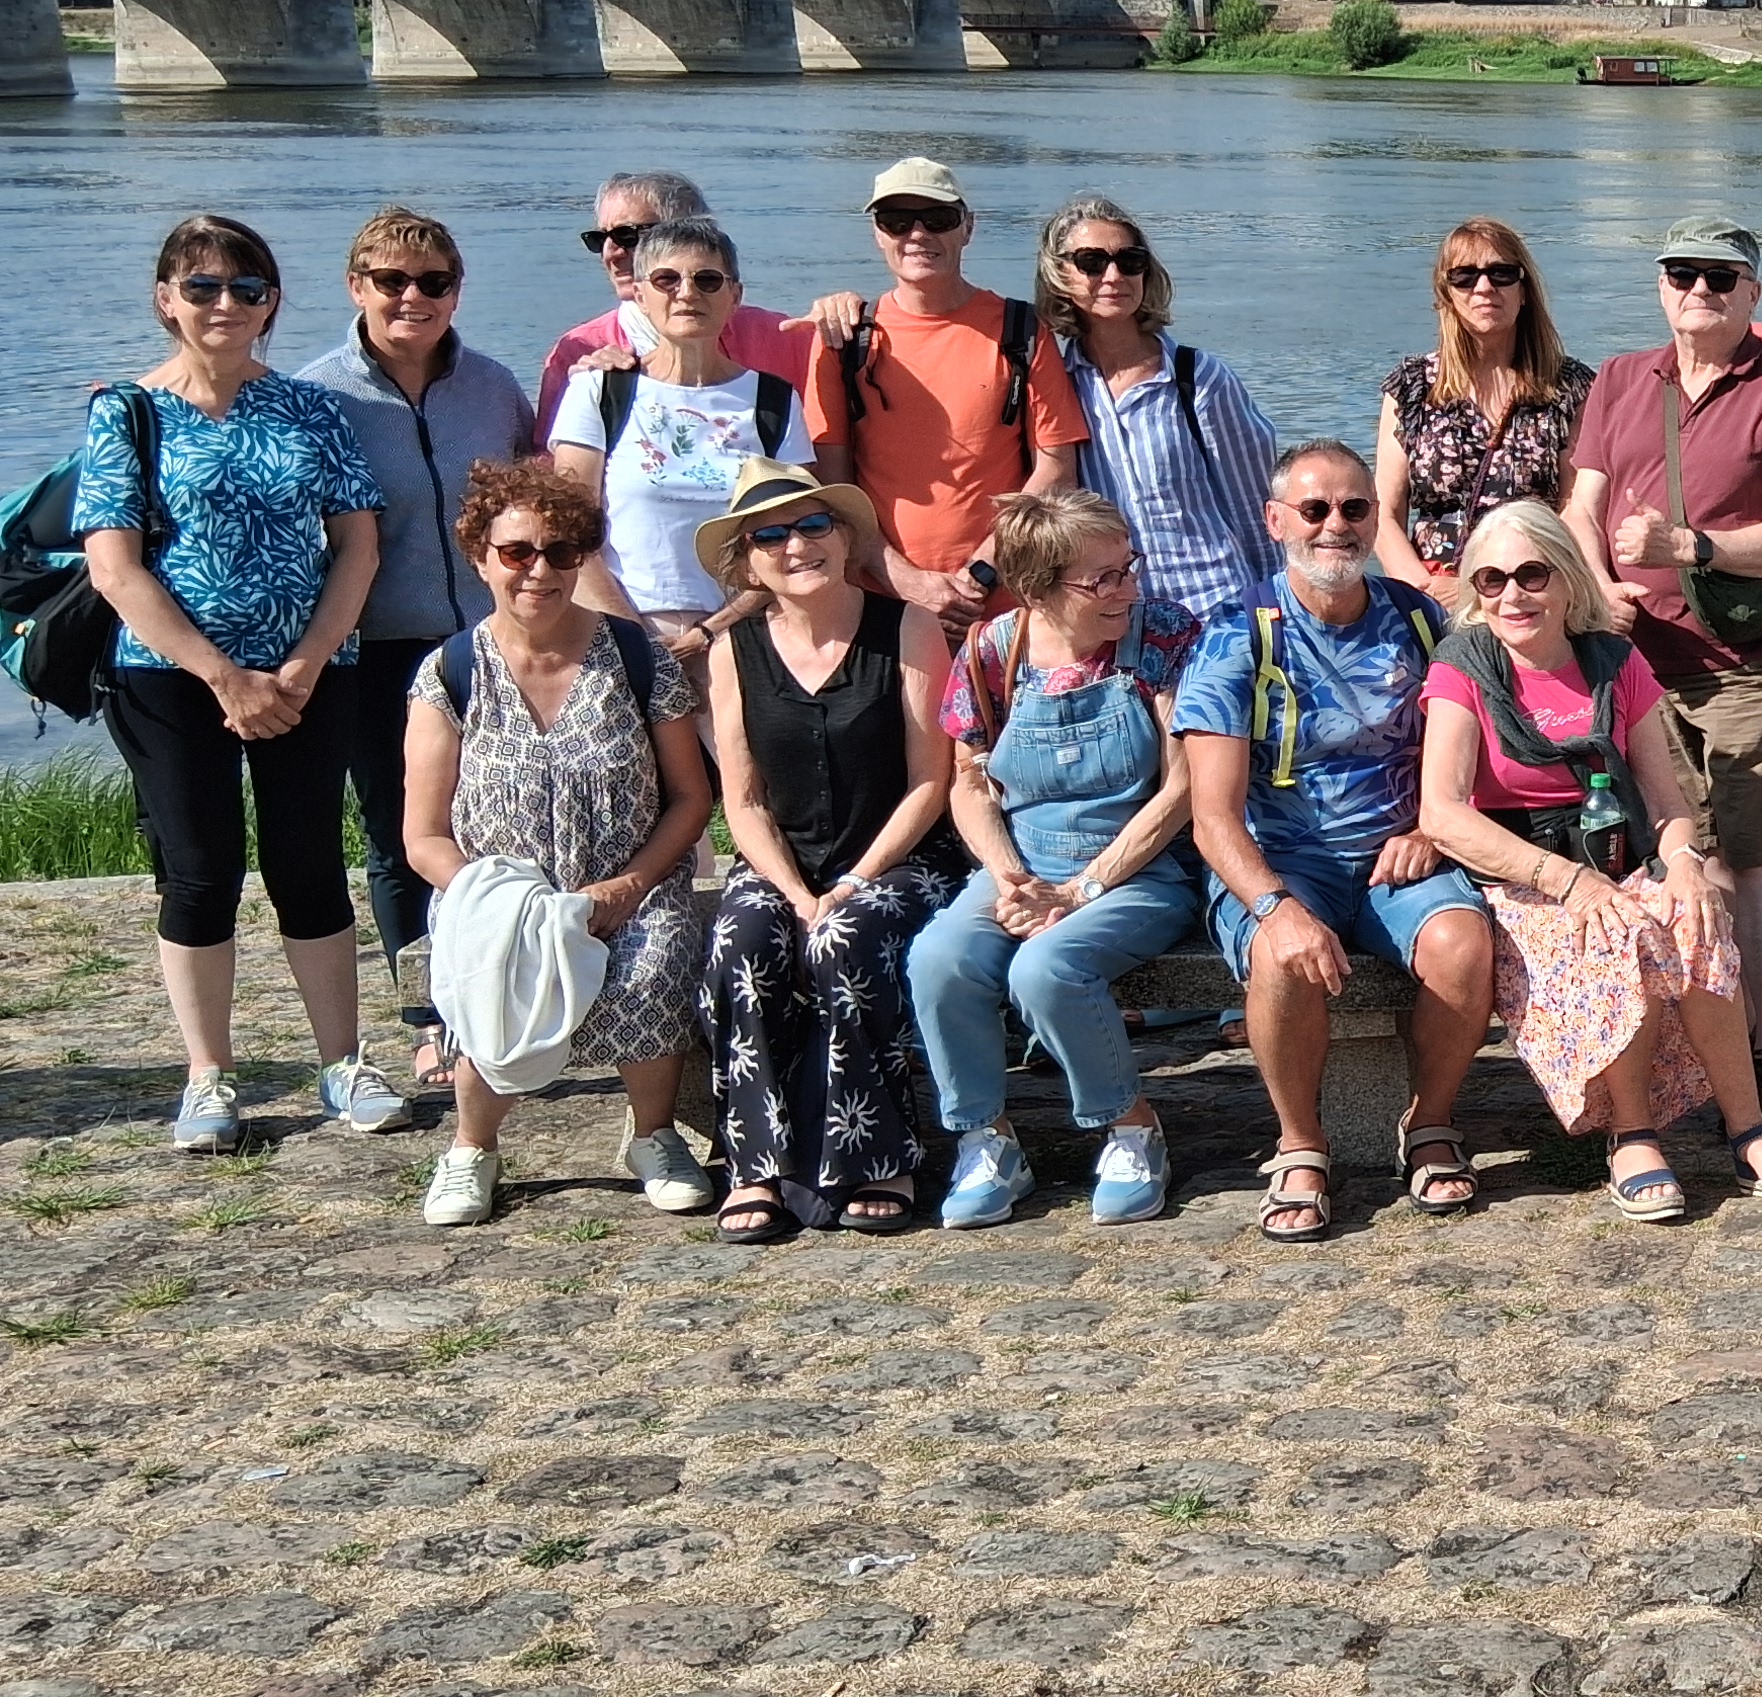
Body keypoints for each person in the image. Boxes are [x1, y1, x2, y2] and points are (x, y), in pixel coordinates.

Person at [77, 212, 403, 1153]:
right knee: (198, 870)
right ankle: (207, 1076)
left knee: (310, 863)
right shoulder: (126, 412)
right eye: (204, 287)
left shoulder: (309, 408)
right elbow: (115, 568)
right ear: (166, 300)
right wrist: (223, 676)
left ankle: (343, 1061)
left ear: (271, 303)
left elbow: (358, 546)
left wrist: (302, 665)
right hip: (170, 679)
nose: (226, 304)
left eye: (247, 288)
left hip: (309, 675)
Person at [1415, 499, 1762, 1221]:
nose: (1512, 595)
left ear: (1567, 579)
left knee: (1696, 920)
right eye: (1491, 580)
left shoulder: (1614, 661)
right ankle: (1632, 1135)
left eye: (1532, 574)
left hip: (1617, 855)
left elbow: (1667, 802)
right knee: (1622, 932)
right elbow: (1443, 814)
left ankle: (1749, 1127)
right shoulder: (1464, 669)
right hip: (1524, 876)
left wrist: (1686, 864)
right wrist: (1566, 880)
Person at [1177, 442, 1495, 1239]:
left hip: (1400, 855)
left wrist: (1427, 828)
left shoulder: (1419, 619)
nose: (1335, 526)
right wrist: (1275, 906)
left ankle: (1430, 1121)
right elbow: (1212, 817)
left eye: (1355, 509)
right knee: (1281, 954)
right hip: (1283, 861)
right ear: (1275, 520)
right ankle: (1299, 1142)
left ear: (1377, 518)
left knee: (1463, 943)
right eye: (1314, 510)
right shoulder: (1236, 634)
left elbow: (1474, 752)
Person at [1563, 215, 1762, 1125]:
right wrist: (1597, 585)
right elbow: (1581, 508)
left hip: (1739, 660)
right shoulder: (1619, 379)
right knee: (1673, 850)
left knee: (1746, 855)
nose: (1700, 290)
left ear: (1752, 293)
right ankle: (1709, 1045)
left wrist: (1685, 545)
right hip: (1632, 661)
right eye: (1683, 273)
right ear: (1661, 286)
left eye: (1721, 278)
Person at [400, 460, 713, 1227]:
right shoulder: (450, 672)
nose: (538, 571)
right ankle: (472, 1148)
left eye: (561, 552)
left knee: (657, 954)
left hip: (625, 890)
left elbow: (690, 797)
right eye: (516, 552)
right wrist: (497, 902)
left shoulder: (637, 659)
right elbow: (423, 834)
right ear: (480, 558)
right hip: (497, 894)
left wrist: (630, 885)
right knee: (490, 960)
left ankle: (654, 1137)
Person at [909, 488, 1207, 1231]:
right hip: (1022, 866)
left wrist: (1081, 890)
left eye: (1128, 567)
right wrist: (1008, 873)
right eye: (1102, 579)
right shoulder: (992, 651)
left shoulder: (1163, 636)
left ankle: (1131, 1128)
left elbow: (1184, 787)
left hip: (1141, 870)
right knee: (940, 960)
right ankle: (986, 1141)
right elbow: (969, 779)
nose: (1127, 589)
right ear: (1037, 588)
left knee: (1047, 968)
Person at [300, 207, 537, 1092]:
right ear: (356, 287)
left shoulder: (492, 386)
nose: (413, 297)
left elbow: (536, 494)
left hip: (488, 642)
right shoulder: (319, 394)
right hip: (375, 650)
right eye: (391, 281)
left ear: (456, 291)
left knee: (505, 822)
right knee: (400, 835)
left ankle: (508, 995)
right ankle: (429, 1018)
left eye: (433, 281)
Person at [699, 462, 963, 1242]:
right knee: (742, 939)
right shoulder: (734, 650)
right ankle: (754, 1164)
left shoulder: (907, 628)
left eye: (814, 525)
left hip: (903, 857)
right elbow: (743, 801)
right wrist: (796, 891)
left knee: (845, 939)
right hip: (785, 862)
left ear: (846, 538)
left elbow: (931, 781)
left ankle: (879, 1156)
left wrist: (852, 882)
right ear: (748, 563)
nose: (796, 545)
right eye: (770, 536)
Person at [801, 156, 1088, 628]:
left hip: (1003, 608)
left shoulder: (1020, 330)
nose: (917, 234)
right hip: (880, 607)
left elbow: (1056, 471)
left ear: (967, 228)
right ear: (877, 233)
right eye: (896, 221)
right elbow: (836, 489)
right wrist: (905, 579)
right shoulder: (845, 340)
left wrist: (979, 575)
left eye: (938, 219)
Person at [547, 215, 811, 666]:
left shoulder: (775, 401)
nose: (687, 293)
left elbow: (795, 539)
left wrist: (713, 631)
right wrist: (634, 643)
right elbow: (568, 534)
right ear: (640, 295)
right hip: (616, 640)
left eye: (707, 280)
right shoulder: (598, 392)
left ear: (734, 296)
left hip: (746, 641)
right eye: (666, 280)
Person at [1040, 193, 1281, 622]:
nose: (1113, 275)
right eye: (1092, 262)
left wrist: (1276, 612)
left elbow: (1258, 509)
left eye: (1129, 261)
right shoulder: (1057, 386)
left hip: (1218, 613)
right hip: (1118, 619)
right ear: (1060, 275)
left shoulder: (1198, 378)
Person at [1375, 217, 1583, 588]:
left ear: (1524, 290)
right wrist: (1422, 590)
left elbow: (1576, 509)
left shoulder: (1569, 388)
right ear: (1446, 293)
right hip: (1434, 591)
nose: (1484, 287)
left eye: (1501, 273)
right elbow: (1385, 513)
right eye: (1465, 276)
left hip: (1530, 587)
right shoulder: (1412, 387)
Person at [533, 168, 820, 433]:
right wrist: (584, 404)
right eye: (600, 239)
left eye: (627, 236)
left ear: (691, 236)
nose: (611, 253)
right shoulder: (579, 352)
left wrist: (839, 313)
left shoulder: (783, 338)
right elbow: (549, 465)